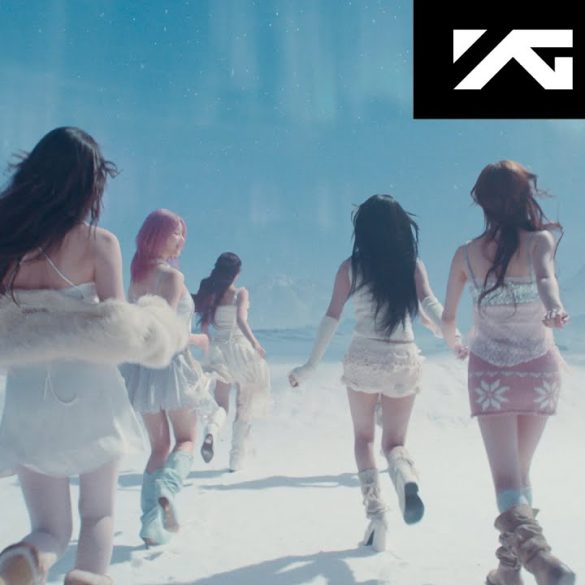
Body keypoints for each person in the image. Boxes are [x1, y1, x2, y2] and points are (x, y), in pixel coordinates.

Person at [0, 128, 188, 585]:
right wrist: (158, 322)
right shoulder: (99, 243)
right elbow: (117, 327)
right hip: (89, 388)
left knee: (50, 527)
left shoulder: (6, 241)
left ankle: (29, 554)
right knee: (98, 513)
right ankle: (87, 576)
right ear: (88, 184)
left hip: (26, 387)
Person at [288, 194, 454, 552]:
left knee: (363, 439)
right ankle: (404, 475)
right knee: (394, 443)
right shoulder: (412, 266)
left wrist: (310, 366)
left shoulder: (351, 267)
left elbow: (331, 318)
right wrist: (449, 332)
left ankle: (377, 517)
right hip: (402, 358)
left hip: (364, 357)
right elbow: (428, 303)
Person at [441, 160, 575, 585]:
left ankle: (541, 559)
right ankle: (507, 571)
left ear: (481, 202)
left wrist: (456, 344)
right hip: (539, 371)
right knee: (519, 476)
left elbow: (447, 319)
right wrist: (553, 309)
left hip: (490, 376)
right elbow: (546, 280)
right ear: (525, 197)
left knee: (506, 480)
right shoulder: (540, 241)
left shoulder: (464, 254)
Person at [121, 209, 212, 547]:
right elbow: (167, 332)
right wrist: (199, 339)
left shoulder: (137, 278)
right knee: (186, 439)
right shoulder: (172, 277)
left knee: (158, 446)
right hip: (172, 366)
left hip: (144, 371)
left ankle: (150, 524)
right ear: (157, 235)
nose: (181, 239)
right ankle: (169, 488)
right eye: (176, 233)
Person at [193, 252, 271, 472]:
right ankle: (235, 460)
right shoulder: (240, 293)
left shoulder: (211, 293)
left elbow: (205, 328)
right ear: (237, 272)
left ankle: (211, 431)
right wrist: (255, 343)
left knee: (221, 405)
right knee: (243, 406)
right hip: (240, 350)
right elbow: (241, 320)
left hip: (219, 351)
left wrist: (207, 351)